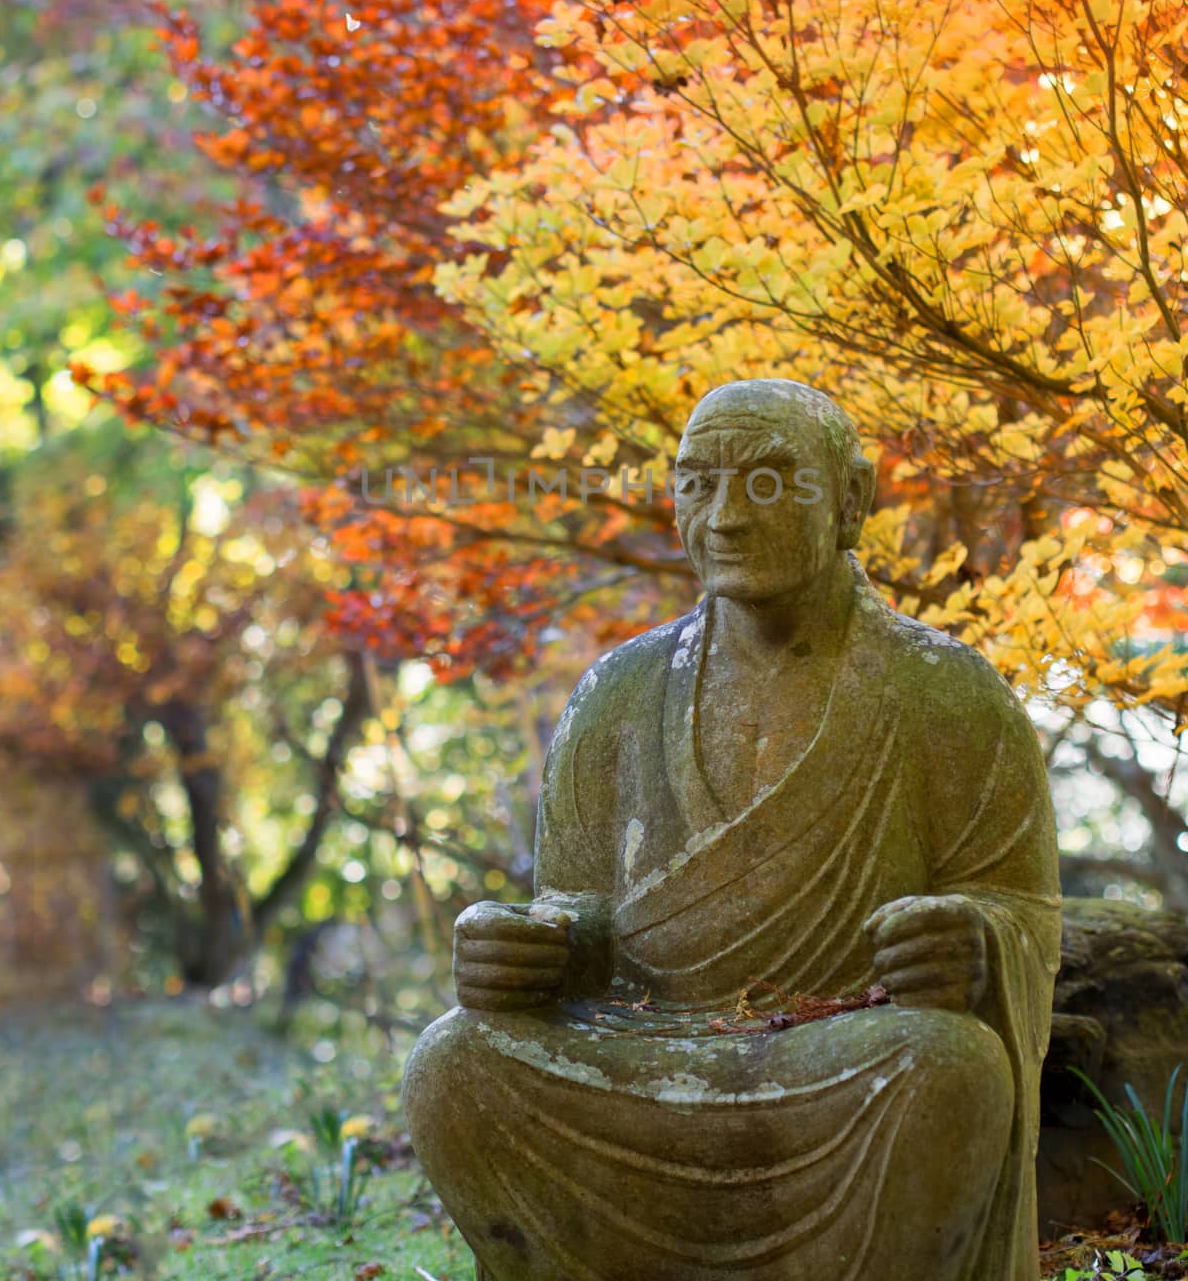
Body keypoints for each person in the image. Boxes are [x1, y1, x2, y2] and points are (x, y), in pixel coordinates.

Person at [403, 379, 1061, 1281]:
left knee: (948, 1066)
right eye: (696, 483)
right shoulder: (619, 693)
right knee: (457, 1061)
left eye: (767, 483)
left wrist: (976, 938)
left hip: (842, 1061)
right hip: (648, 1052)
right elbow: (580, 906)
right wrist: (531, 944)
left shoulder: (943, 691)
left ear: (851, 500)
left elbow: (1019, 901)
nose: (725, 518)